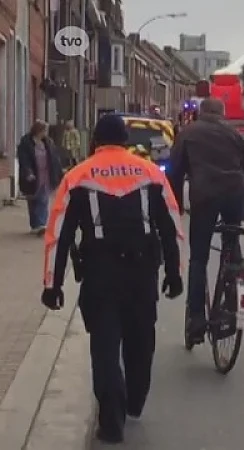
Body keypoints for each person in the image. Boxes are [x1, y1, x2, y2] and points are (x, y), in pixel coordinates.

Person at [41, 114, 183, 444]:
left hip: (100, 274)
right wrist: (174, 273)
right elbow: (171, 227)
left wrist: (53, 284)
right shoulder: (149, 174)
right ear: (125, 141)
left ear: (95, 142)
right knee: (140, 342)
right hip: (142, 273)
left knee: (105, 347)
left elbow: (58, 235)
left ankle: (112, 419)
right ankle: (134, 400)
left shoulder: (78, 176)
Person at [168, 98, 244, 344]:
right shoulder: (234, 135)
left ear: (200, 112)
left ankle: (196, 320)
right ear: (223, 113)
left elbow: (174, 172)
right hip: (234, 194)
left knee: (199, 258)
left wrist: (176, 206)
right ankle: (230, 303)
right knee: (232, 246)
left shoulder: (188, 133)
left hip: (205, 195)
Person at [17, 120, 63, 235]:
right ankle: (35, 225)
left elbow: (54, 158)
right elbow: (24, 159)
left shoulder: (48, 142)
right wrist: (28, 172)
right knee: (33, 199)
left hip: (46, 175)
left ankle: (41, 225)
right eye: (44, 130)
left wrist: (59, 172)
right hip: (33, 175)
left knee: (43, 199)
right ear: (39, 130)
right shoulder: (26, 142)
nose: (46, 133)